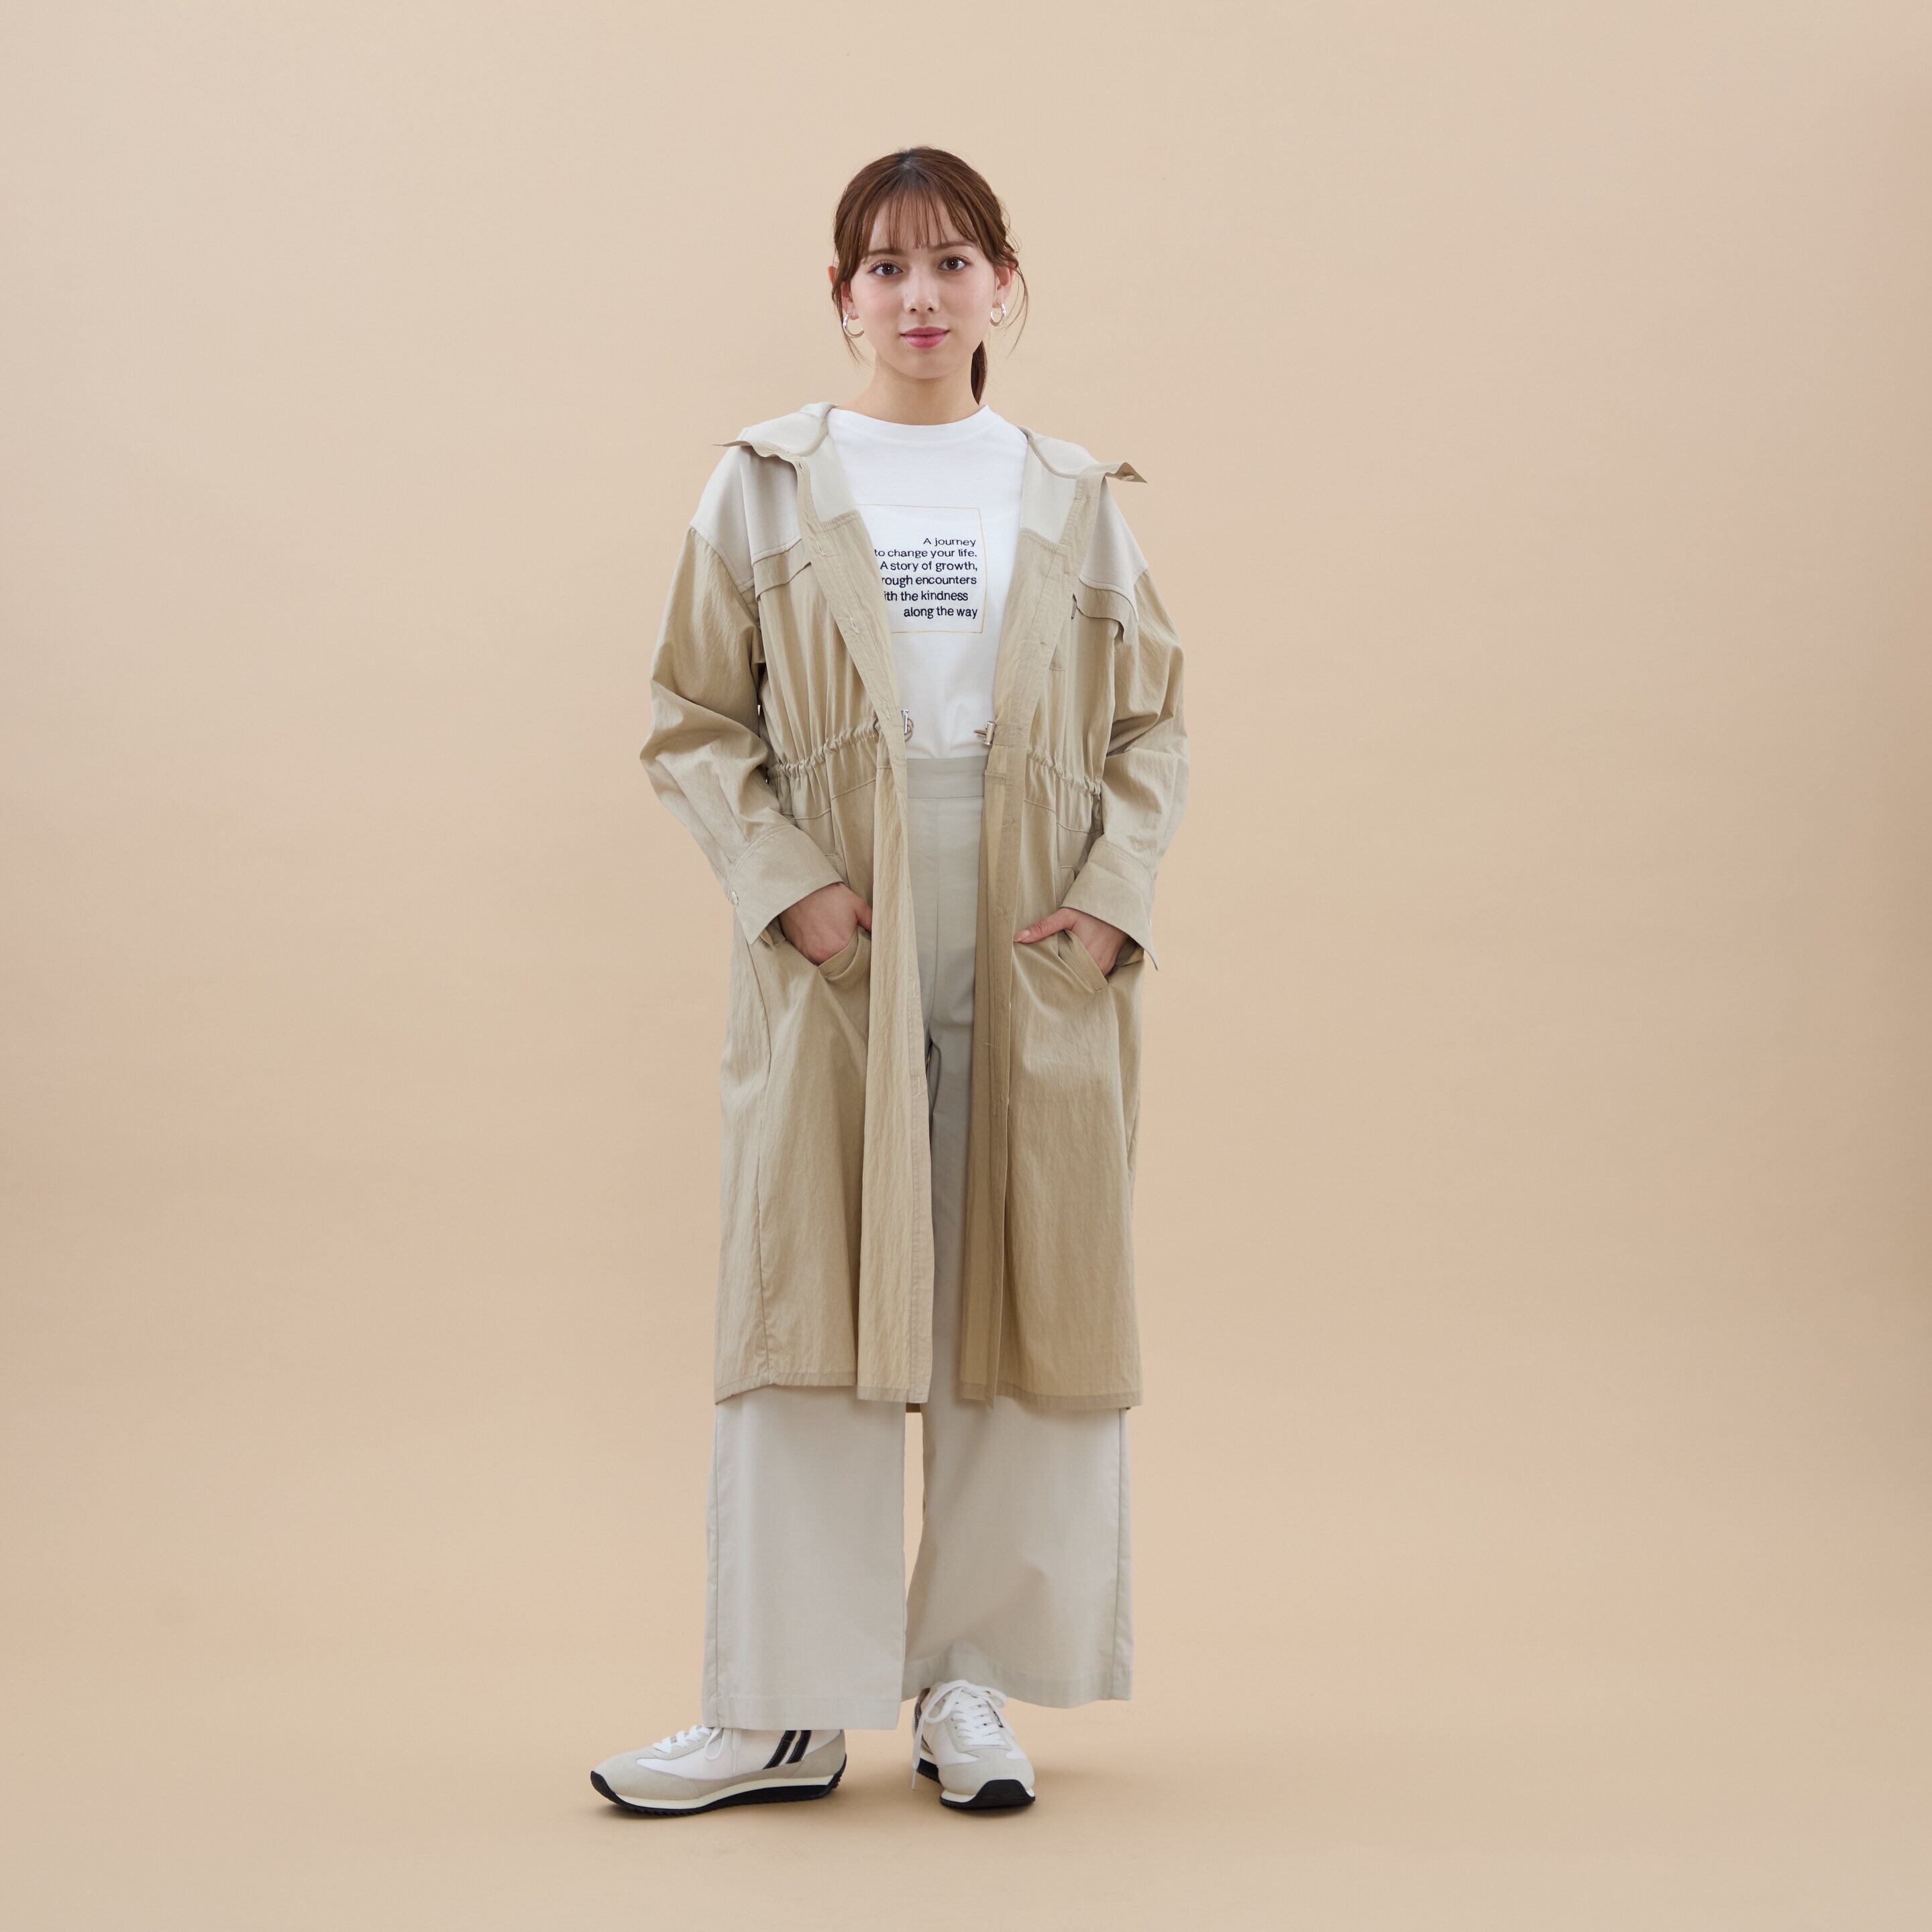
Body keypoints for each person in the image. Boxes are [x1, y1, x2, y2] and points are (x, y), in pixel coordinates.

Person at [592, 146, 1189, 1817]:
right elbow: (694, 717)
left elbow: (1151, 725)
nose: (919, 296)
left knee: (1018, 1288)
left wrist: (1107, 909)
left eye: (951, 262)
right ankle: (777, 1709)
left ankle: (967, 1687)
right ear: (842, 295)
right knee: (812, 1296)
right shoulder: (767, 483)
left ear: (1004, 282)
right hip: (838, 923)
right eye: (884, 267)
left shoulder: (1070, 492)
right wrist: (791, 890)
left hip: (1030, 924)